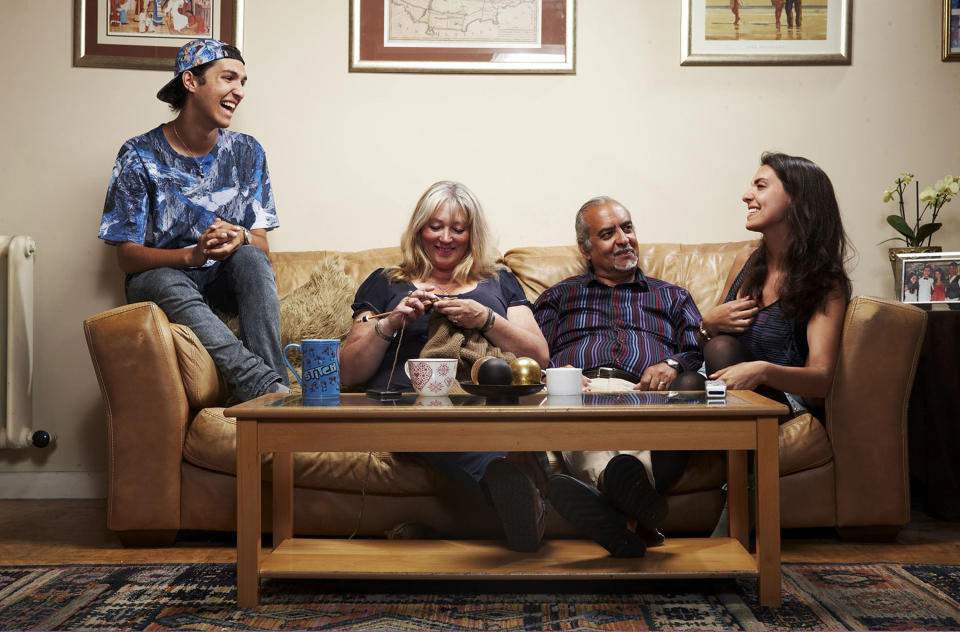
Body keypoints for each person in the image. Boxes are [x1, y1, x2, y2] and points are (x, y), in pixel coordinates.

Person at [339, 181, 551, 552]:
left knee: (489, 419)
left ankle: (515, 484)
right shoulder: (386, 282)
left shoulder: (499, 281)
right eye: (435, 225)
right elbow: (347, 371)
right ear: (419, 228)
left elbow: (539, 356)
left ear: (473, 234)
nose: (446, 238)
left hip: (487, 398)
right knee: (430, 420)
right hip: (410, 404)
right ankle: (517, 482)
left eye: (458, 228)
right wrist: (390, 324)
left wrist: (485, 318)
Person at [98, 39, 288, 404]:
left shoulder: (248, 151)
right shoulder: (138, 154)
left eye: (243, 82)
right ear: (191, 82)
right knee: (165, 279)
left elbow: (261, 245)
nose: (239, 91)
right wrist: (190, 257)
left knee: (251, 257)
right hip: (161, 278)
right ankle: (263, 385)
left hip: (222, 279)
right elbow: (127, 257)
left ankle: (271, 384)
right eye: (228, 78)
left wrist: (240, 236)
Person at [533, 196, 705, 557]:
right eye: (608, 234)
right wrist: (553, 373)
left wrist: (672, 365)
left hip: (645, 391)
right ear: (585, 248)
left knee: (691, 390)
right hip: (578, 388)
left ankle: (610, 502)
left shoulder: (673, 297)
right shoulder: (558, 297)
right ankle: (634, 511)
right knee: (572, 411)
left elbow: (695, 349)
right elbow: (530, 353)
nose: (624, 239)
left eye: (627, 228)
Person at [699, 152, 851, 426]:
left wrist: (762, 372)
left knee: (722, 349)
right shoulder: (745, 260)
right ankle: (638, 470)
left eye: (760, 186)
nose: (746, 196)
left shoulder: (824, 281)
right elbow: (707, 350)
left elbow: (822, 379)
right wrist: (707, 325)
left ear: (795, 197)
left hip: (782, 401)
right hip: (723, 394)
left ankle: (737, 458)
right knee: (687, 380)